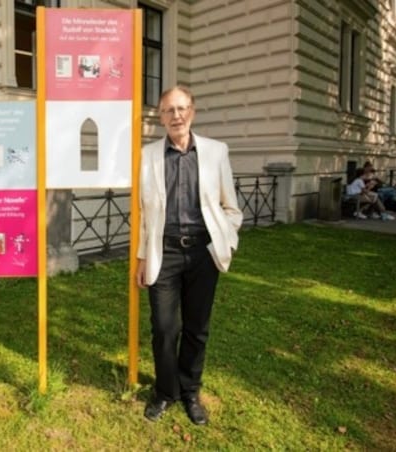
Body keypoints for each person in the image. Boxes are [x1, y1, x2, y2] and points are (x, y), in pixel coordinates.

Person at [136, 86, 243, 426]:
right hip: (163, 251)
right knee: (165, 329)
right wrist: (141, 257)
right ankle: (165, 392)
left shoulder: (215, 151)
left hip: (202, 252)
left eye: (182, 109)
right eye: (169, 110)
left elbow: (231, 207)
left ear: (192, 112)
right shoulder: (147, 155)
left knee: (197, 328)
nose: (176, 115)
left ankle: (190, 392)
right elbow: (141, 212)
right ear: (160, 117)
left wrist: (225, 242)